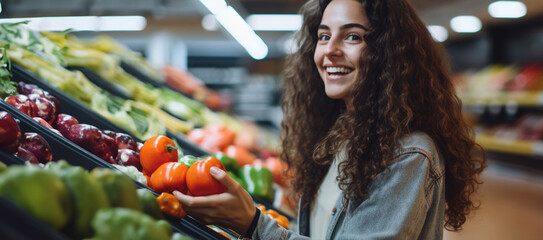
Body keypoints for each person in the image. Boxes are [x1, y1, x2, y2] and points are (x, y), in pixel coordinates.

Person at [173, 0, 486, 239]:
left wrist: (255, 224)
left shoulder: (409, 154)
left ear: (389, 52)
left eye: (351, 36)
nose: (330, 51)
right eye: (324, 36)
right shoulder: (340, 135)